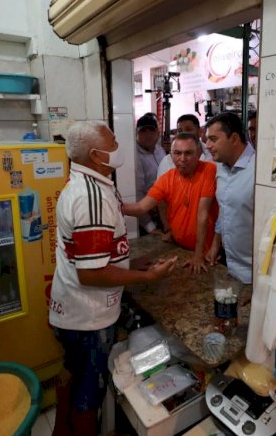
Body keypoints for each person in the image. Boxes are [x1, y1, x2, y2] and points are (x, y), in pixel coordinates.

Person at [48, 121, 178, 436]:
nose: (119, 146)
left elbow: (101, 253)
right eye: (113, 142)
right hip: (87, 318)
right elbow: (91, 272)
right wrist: (146, 277)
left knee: (75, 376)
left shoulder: (98, 184)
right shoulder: (91, 197)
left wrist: (134, 261)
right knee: (88, 394)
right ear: (95, 154)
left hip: (76, 310)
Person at [125, 132, 218, 274]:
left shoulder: (209, 171)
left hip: (206, 252)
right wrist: (113, 204)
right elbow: (141, 207)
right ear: (171, 155)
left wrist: (198, 255)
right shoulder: (166, 179)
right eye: (177, 153)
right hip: (179, 247)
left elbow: (203, 214)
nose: (182, 159)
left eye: (188, 153)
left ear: (199, 153)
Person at [204, 112, 256, 284]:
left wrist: (262, 285)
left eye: (213, 139)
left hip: (254, 273)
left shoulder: (258, 170)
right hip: (230, 266)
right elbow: (225, 209)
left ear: (234, 138)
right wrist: (215, 245)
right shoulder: (222, 167)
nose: (207, 145)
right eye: (207, 139)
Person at [134, 114, 166, 235]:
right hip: (149, 216)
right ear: (136, 134)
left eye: (151, 130)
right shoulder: (135, 157)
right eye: (143, 131)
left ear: (158, 133)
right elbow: (138, 195)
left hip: (164, 212)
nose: (148, 135)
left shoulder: (159, 150)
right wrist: (149, 226)